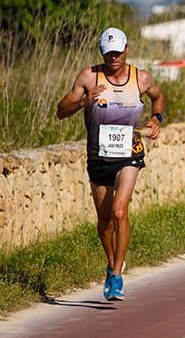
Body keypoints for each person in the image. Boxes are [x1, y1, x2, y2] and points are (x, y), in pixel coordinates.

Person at [56, 27, 166, 300]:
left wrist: (156, 120)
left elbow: (158, 98)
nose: (113, 57)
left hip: (129, 153)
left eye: (118, 52)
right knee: (105, 221)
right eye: (108, 53)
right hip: (99, 156)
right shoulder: (89, 76)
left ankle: (117, 275)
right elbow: (60, 111)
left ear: (127, 49)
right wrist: (84, 100)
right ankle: (110, 263)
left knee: (119, 211)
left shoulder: (140, 77)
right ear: (102, 52)